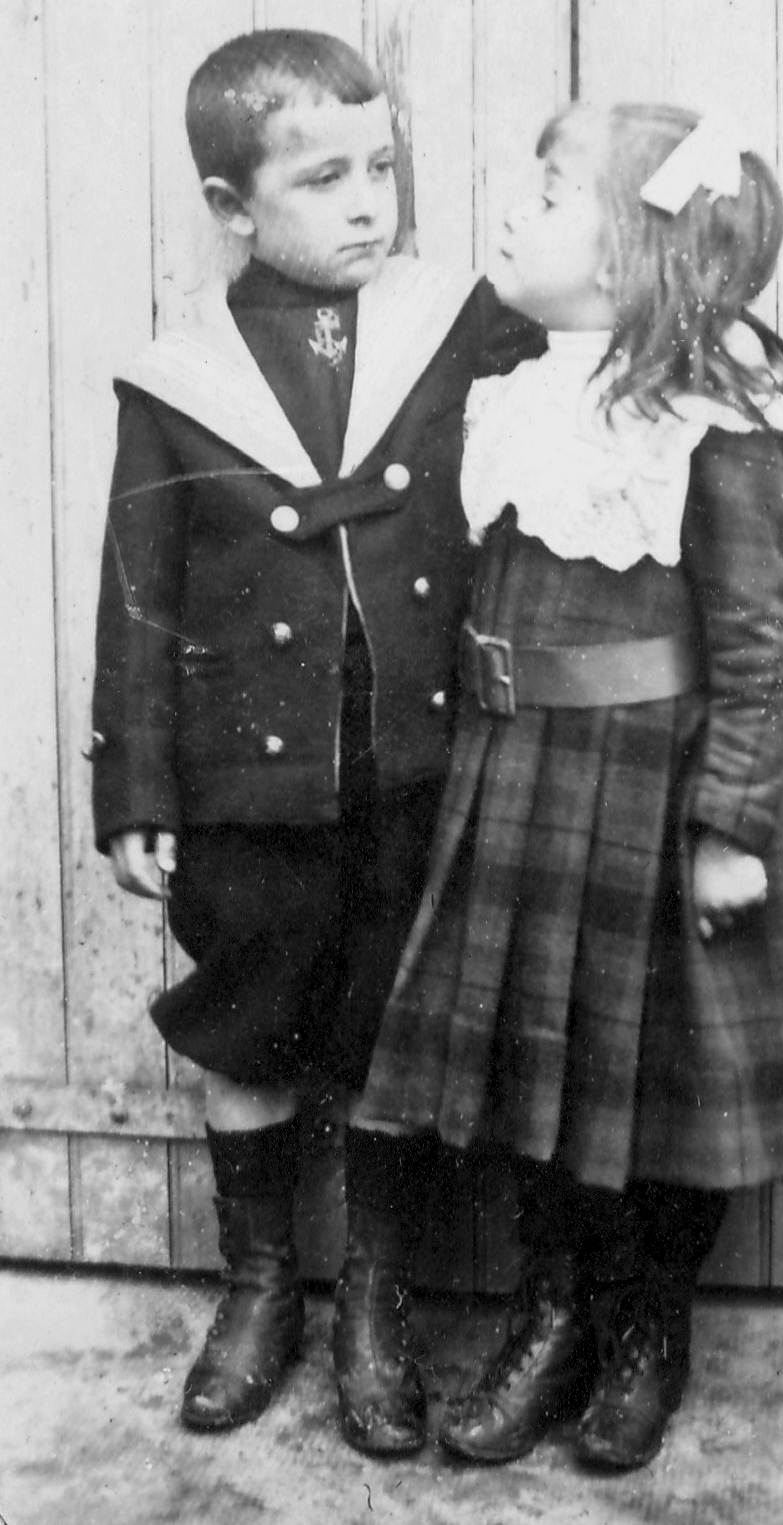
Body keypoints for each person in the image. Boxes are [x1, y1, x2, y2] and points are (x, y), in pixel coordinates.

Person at [347, 102, 783, 1470]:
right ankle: (554, 1310)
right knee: (537, 1074)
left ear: (634, 256)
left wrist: (730, 826)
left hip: (652, 793)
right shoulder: (521, 391)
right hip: (522, 782)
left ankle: (648, 1323)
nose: (511, 210)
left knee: (657, 1088)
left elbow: (762, 640)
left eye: (549, 193)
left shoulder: (714, 422)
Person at [89, 29, 541, 1438]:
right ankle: (262, 1285)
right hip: (246, 778)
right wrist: (134, 787)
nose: (367, 206)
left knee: (397, 1028)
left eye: (381, 171)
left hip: (420, 763)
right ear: (231, 208)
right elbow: (139, 596)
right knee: (249, 1024)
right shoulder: (181, 378)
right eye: (324, 179)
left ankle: (377, 1300)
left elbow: (593, 370)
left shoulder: (450, 323)